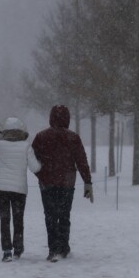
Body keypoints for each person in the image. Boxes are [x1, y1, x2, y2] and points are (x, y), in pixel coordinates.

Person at [31, 105, 93, 262]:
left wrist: (41, 174)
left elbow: (32, 159)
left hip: (47, 183)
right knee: (64, 216)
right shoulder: (73, 137)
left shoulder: (41, 137)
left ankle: (53, 249)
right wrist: (87, 182)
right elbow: (81, 160)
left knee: (50, 216)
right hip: (67, 182)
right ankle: (63, 247)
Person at [0, 117, 40, 262]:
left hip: (1, 187)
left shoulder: (0, 145)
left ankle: (6, 251)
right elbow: (35, 167)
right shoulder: (26, 147)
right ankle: (18, 248)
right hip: (19, 188)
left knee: (4, 219)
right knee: (18, 219)